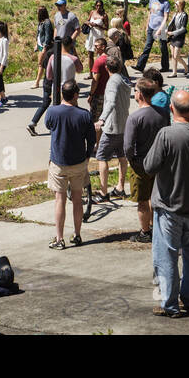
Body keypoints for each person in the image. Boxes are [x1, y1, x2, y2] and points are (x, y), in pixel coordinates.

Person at [143, 88, 189, 318]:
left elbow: (149, 166)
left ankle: (170, 304)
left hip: (169, 208)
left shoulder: (166, 135)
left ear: (171, 108)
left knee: (166, 257)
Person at [44, 78, 95, 250]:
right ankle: (77, 234)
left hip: (58, 163)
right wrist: (87, 157)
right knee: (78, 199)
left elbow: (48, 126)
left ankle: (59, 239)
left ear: (61, 94)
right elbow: (91, 140)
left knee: (60, 199)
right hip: (79, 163)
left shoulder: (52, 112)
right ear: (75, 95)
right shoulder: (85, 115)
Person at [124, 74, 169, 243]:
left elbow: (128, 146)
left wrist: (132, 160)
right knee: (157, 197)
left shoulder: (135, 118)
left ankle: (145, 231)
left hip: (140, 164)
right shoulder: (163, 114)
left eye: (135, 90)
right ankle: (157, 225)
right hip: (159, 162)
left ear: (140, 95)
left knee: (142, 200)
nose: (134, 93)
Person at [96, 44, 131, 199]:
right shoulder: (125, 80)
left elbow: (110, 102)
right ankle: (120, 187)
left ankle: (103, 192)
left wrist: (101, 119)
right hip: (124, 125)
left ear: (106, 67)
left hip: (111, 128)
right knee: (122, 157)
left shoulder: (112, 82)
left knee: (101, 157)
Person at [29, 36, 79, 135]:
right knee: (72, 110)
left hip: (55, 88)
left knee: (54, 109)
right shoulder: (73, 58)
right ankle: (69, 130)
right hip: (69, 88)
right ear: (71, 45)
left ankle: (55, 129)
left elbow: (48, 75)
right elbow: (80, 69)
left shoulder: (52, 56)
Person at [134, 0, 171, 73]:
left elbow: (166, 17)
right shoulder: (152, 0)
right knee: (147, 46)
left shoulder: (166, 3)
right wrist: (147, 25)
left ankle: (165, 67)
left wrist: (160, 29)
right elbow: (150, 13)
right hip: (151, 26)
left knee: (163, 48)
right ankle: (140, 66)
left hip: (160, 28)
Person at [166, 0, 189, 77]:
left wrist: (172, 33)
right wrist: (167, 31)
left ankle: (186, 67)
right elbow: (171, 24)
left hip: (179, 37)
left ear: (180, 5)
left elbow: (183, 29)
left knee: (176, 56)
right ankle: (174, 72)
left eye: (176, 4)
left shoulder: (184, 15)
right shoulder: (175, 14)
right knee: (173, 55)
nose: (175, 6)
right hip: (173, 37)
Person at [32, 6, 50, 88]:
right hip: (40, 45)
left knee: (41, 64)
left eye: (38, 12)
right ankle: (46, 79)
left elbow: (48, 36)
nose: (37, 13)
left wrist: (44, 48)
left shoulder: (47, 22)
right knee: (43, 64)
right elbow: (39, 34)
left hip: (44, 46)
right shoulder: (40, 22)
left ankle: (37, 82)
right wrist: (37, 44)